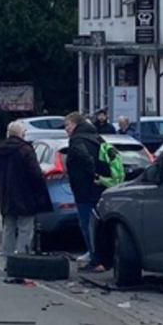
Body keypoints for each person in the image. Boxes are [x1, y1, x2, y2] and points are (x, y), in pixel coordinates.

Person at [0, 120, 53, 258]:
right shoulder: (26, 150)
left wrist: (2, 188)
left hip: (7, 197)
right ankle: (22, 258)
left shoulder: (0, 151)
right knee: (25, 228)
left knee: (8, 228)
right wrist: (38, 192)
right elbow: (36, 174)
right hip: (25, 197)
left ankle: (7, 256)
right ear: (22, 134)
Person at [65, 111, 108, 272]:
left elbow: (84, 158)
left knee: (87, 225)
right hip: (100, 189)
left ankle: (95, 261)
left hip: (84, 189)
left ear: (75, 124)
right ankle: (103, 259)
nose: (66, 129)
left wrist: (92, 175)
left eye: (67, 125)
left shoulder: (77, 140)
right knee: (98, 225)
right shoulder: (96, 137)